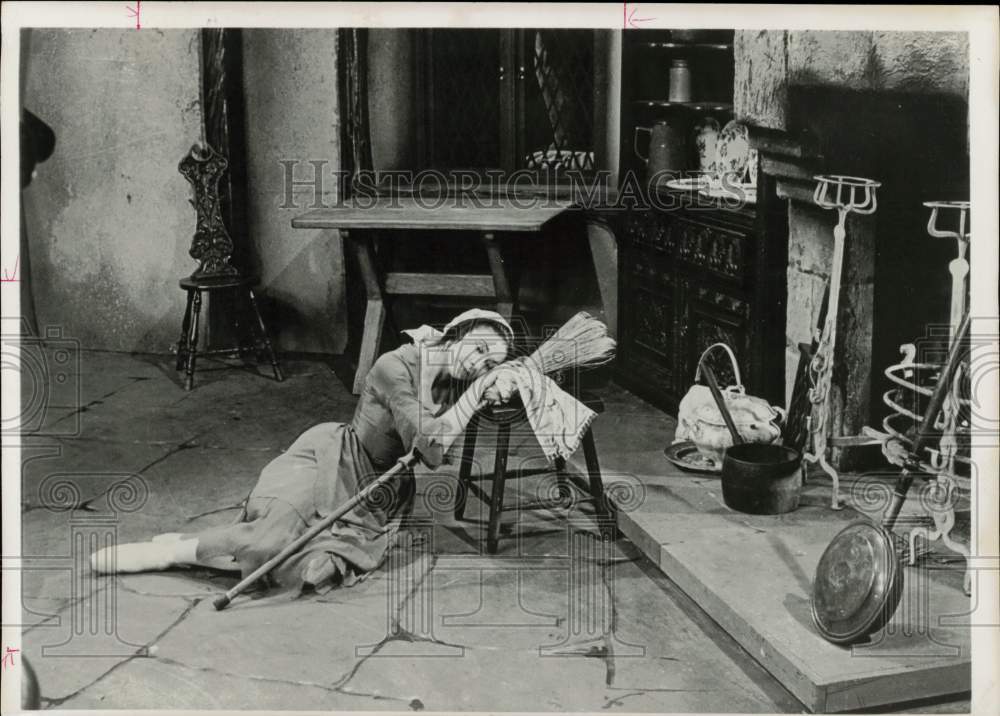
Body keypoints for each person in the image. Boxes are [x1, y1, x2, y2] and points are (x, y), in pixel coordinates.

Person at [90, 309, 516, 591]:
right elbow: (429, 437)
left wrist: (475, 395)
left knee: (308, 572)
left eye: (490, 363)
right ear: (455, 334)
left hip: (375, 492)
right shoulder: (394, 366)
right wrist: (475, 395)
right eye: (479, 349)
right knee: (273, 540)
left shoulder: (450, 387)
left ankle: (225, 547)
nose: (481, 364)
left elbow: (436, 456)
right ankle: (170, 552)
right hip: (331, 459)